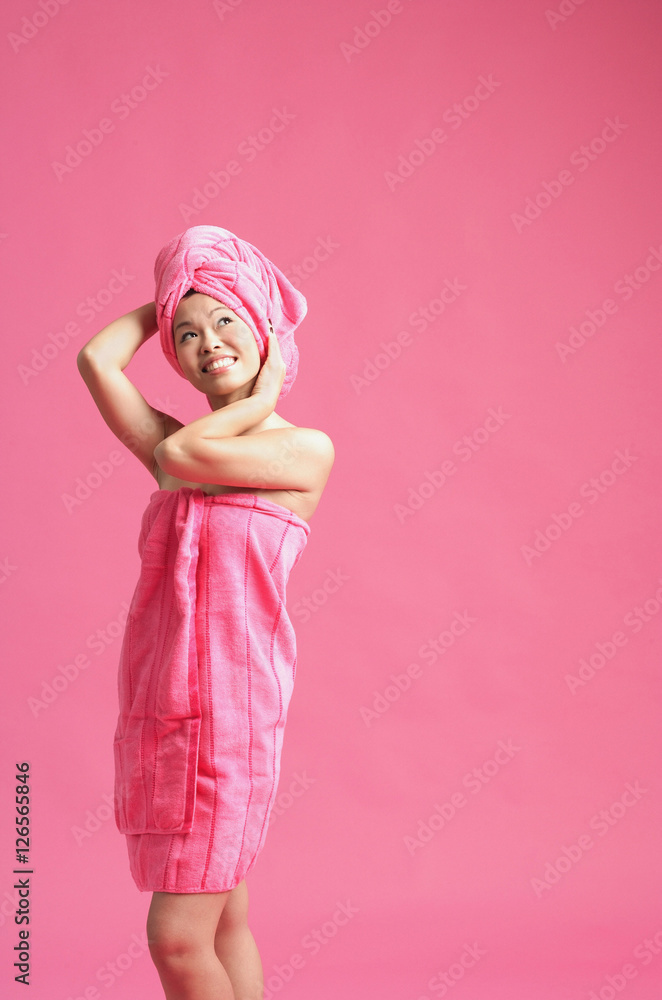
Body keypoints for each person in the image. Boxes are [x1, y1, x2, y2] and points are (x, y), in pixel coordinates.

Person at [76, 226, 335, 1000]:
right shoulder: (176, 447)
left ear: (263, 328)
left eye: (226, 319)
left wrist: (261, 396)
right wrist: (172, 293)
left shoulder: (302, 449)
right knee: (225, 924)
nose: (206, 341)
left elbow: (184, 458)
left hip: (231, 714)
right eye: (185, 333)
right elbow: (96, 361)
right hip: (164, 710)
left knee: (176, 940)